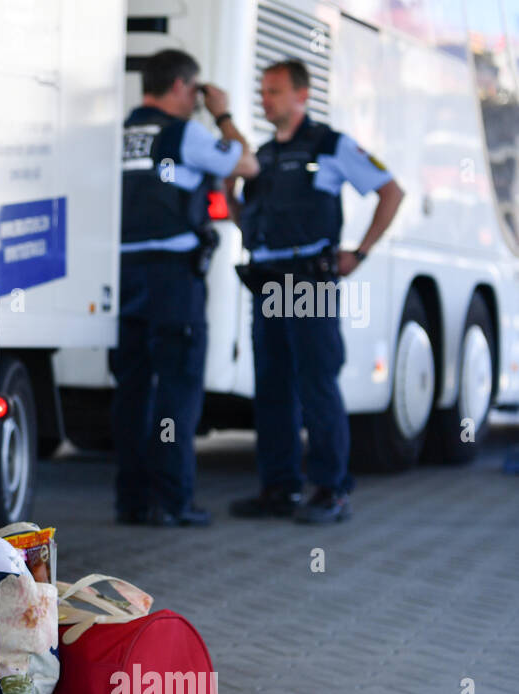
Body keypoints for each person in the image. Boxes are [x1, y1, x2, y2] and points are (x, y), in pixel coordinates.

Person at [230, 58, 404, 523]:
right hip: (267, 279)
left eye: (276, 91)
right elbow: (246, 220)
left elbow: (391, 192)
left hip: (307, 281)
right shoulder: (263, 155)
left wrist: (360, 253)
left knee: (315, 384)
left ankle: (331, 490)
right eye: (264, 92)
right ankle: (279, 488)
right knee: (271, 387)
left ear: (302, 95)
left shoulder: (332, 144)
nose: (267, 99)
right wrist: (229, 191)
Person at [113, 49, 259, 526]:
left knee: (132, 389)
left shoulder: (119, 133)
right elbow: (248, 164)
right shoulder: (185, 133)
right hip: (171, 277)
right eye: (194, 92)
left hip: (121, 273)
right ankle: (172, 501)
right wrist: (223, 114)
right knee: (177, 388)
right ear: (181, 86)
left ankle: (132, 501)